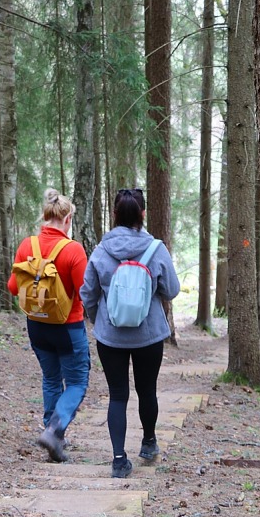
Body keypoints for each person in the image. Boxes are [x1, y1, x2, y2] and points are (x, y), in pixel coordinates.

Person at [80, 188, 180, 478]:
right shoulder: (156, 249)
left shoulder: (100, 251)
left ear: (115, 215)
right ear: (143, 214)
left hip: (110, 337)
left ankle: (119, 459)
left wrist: (100, 319)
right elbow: (171, 290)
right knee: (146, 390)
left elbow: (88, 293)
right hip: (148, 335)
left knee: (118, 396)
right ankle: (148, 441)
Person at [8, 188, 90, 463]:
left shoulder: (26, 245)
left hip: (37, 327)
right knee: (77, 382)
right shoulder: (73, 250)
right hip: (68, 327)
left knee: (51, 378)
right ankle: (54, 430)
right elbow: (84, 292)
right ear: (66, 219)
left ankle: (52, 434)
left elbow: (12, 287)